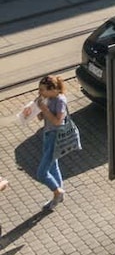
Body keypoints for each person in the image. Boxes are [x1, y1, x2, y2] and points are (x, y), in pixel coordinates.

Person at [34, 74, 68, 211]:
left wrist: (44, 109)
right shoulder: (48, 99)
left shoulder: (60, 100)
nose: (40, 92)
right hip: (48, 135)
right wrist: (38, 109)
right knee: (53, 166)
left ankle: (57, 192)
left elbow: (57, 121)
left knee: (41, 173)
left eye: (42, 90)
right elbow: (41, 118)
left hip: (56, 137)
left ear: (52, 89)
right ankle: (59, 195)